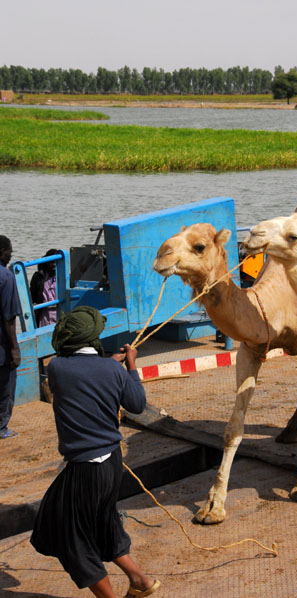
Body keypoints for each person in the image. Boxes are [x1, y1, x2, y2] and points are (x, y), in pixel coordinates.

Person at [30, 306, 160, 598]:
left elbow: (80, 371)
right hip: (112, 463)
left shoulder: (57, 368)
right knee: (104, 522)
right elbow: (137, 405)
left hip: (85, 467)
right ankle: (140, 580)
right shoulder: (114, 370)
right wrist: (129, 367)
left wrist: (110, 365)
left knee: (70, 538)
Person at [0, 235, 21, 440]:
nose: (9, 256)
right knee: (6, 386)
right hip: (2, 347)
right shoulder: (6, 277)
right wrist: (15, 349)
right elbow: (9, 317)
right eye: (9, 252)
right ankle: (1, 428)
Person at [30, 248, 59, 327]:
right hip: (44, 314)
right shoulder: (39, 277)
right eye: (51, 262)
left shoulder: (64, 277)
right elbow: (32, 296)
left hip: (59, 312)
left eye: (56, 262)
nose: (54, 265)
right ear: (46, 262)